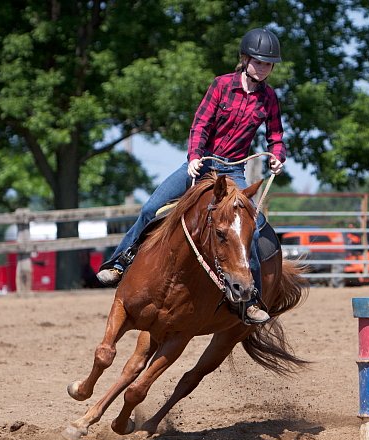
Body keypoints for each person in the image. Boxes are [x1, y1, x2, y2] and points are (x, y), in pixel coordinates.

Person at [96, 27, 286, 324]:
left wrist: (277, 155)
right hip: (204, 164)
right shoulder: (221, 86)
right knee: (150, 208)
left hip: (234, 170)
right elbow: (200, 124)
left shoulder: (269, 98)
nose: (263, 69)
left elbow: (276, 135)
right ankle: (120, 262)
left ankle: (250, 300)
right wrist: (194, 157)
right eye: (259, 62)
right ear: (245, 59)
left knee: (256, 229)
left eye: (268, 64)